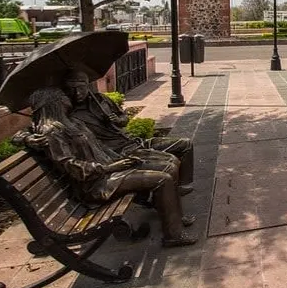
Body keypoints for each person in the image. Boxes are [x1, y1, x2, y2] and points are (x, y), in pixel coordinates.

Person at [25, 87, 197, 247]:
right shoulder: (52, 132)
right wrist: (111, 168)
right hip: (96, 184)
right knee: (162, 179)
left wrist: (122, 160)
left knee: (168, 166)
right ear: (53, 102)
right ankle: (173, 235)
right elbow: (71, 167)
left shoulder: (71, 123)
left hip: (109, 171)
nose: (67, 99)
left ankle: (174, 218)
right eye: (62, 97)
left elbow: (101, 147)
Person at [62, 70, 194, 192]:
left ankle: (182, 187)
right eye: (71, 90)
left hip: (133, 141)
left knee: (185, 144)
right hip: (120, 151)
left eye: (80, 88)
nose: (77, 93)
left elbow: (124, 117)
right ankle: (166, 194)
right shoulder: (70, 115)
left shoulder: (101, 100)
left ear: (87, 85)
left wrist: (118, 121)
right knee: (170, 163)